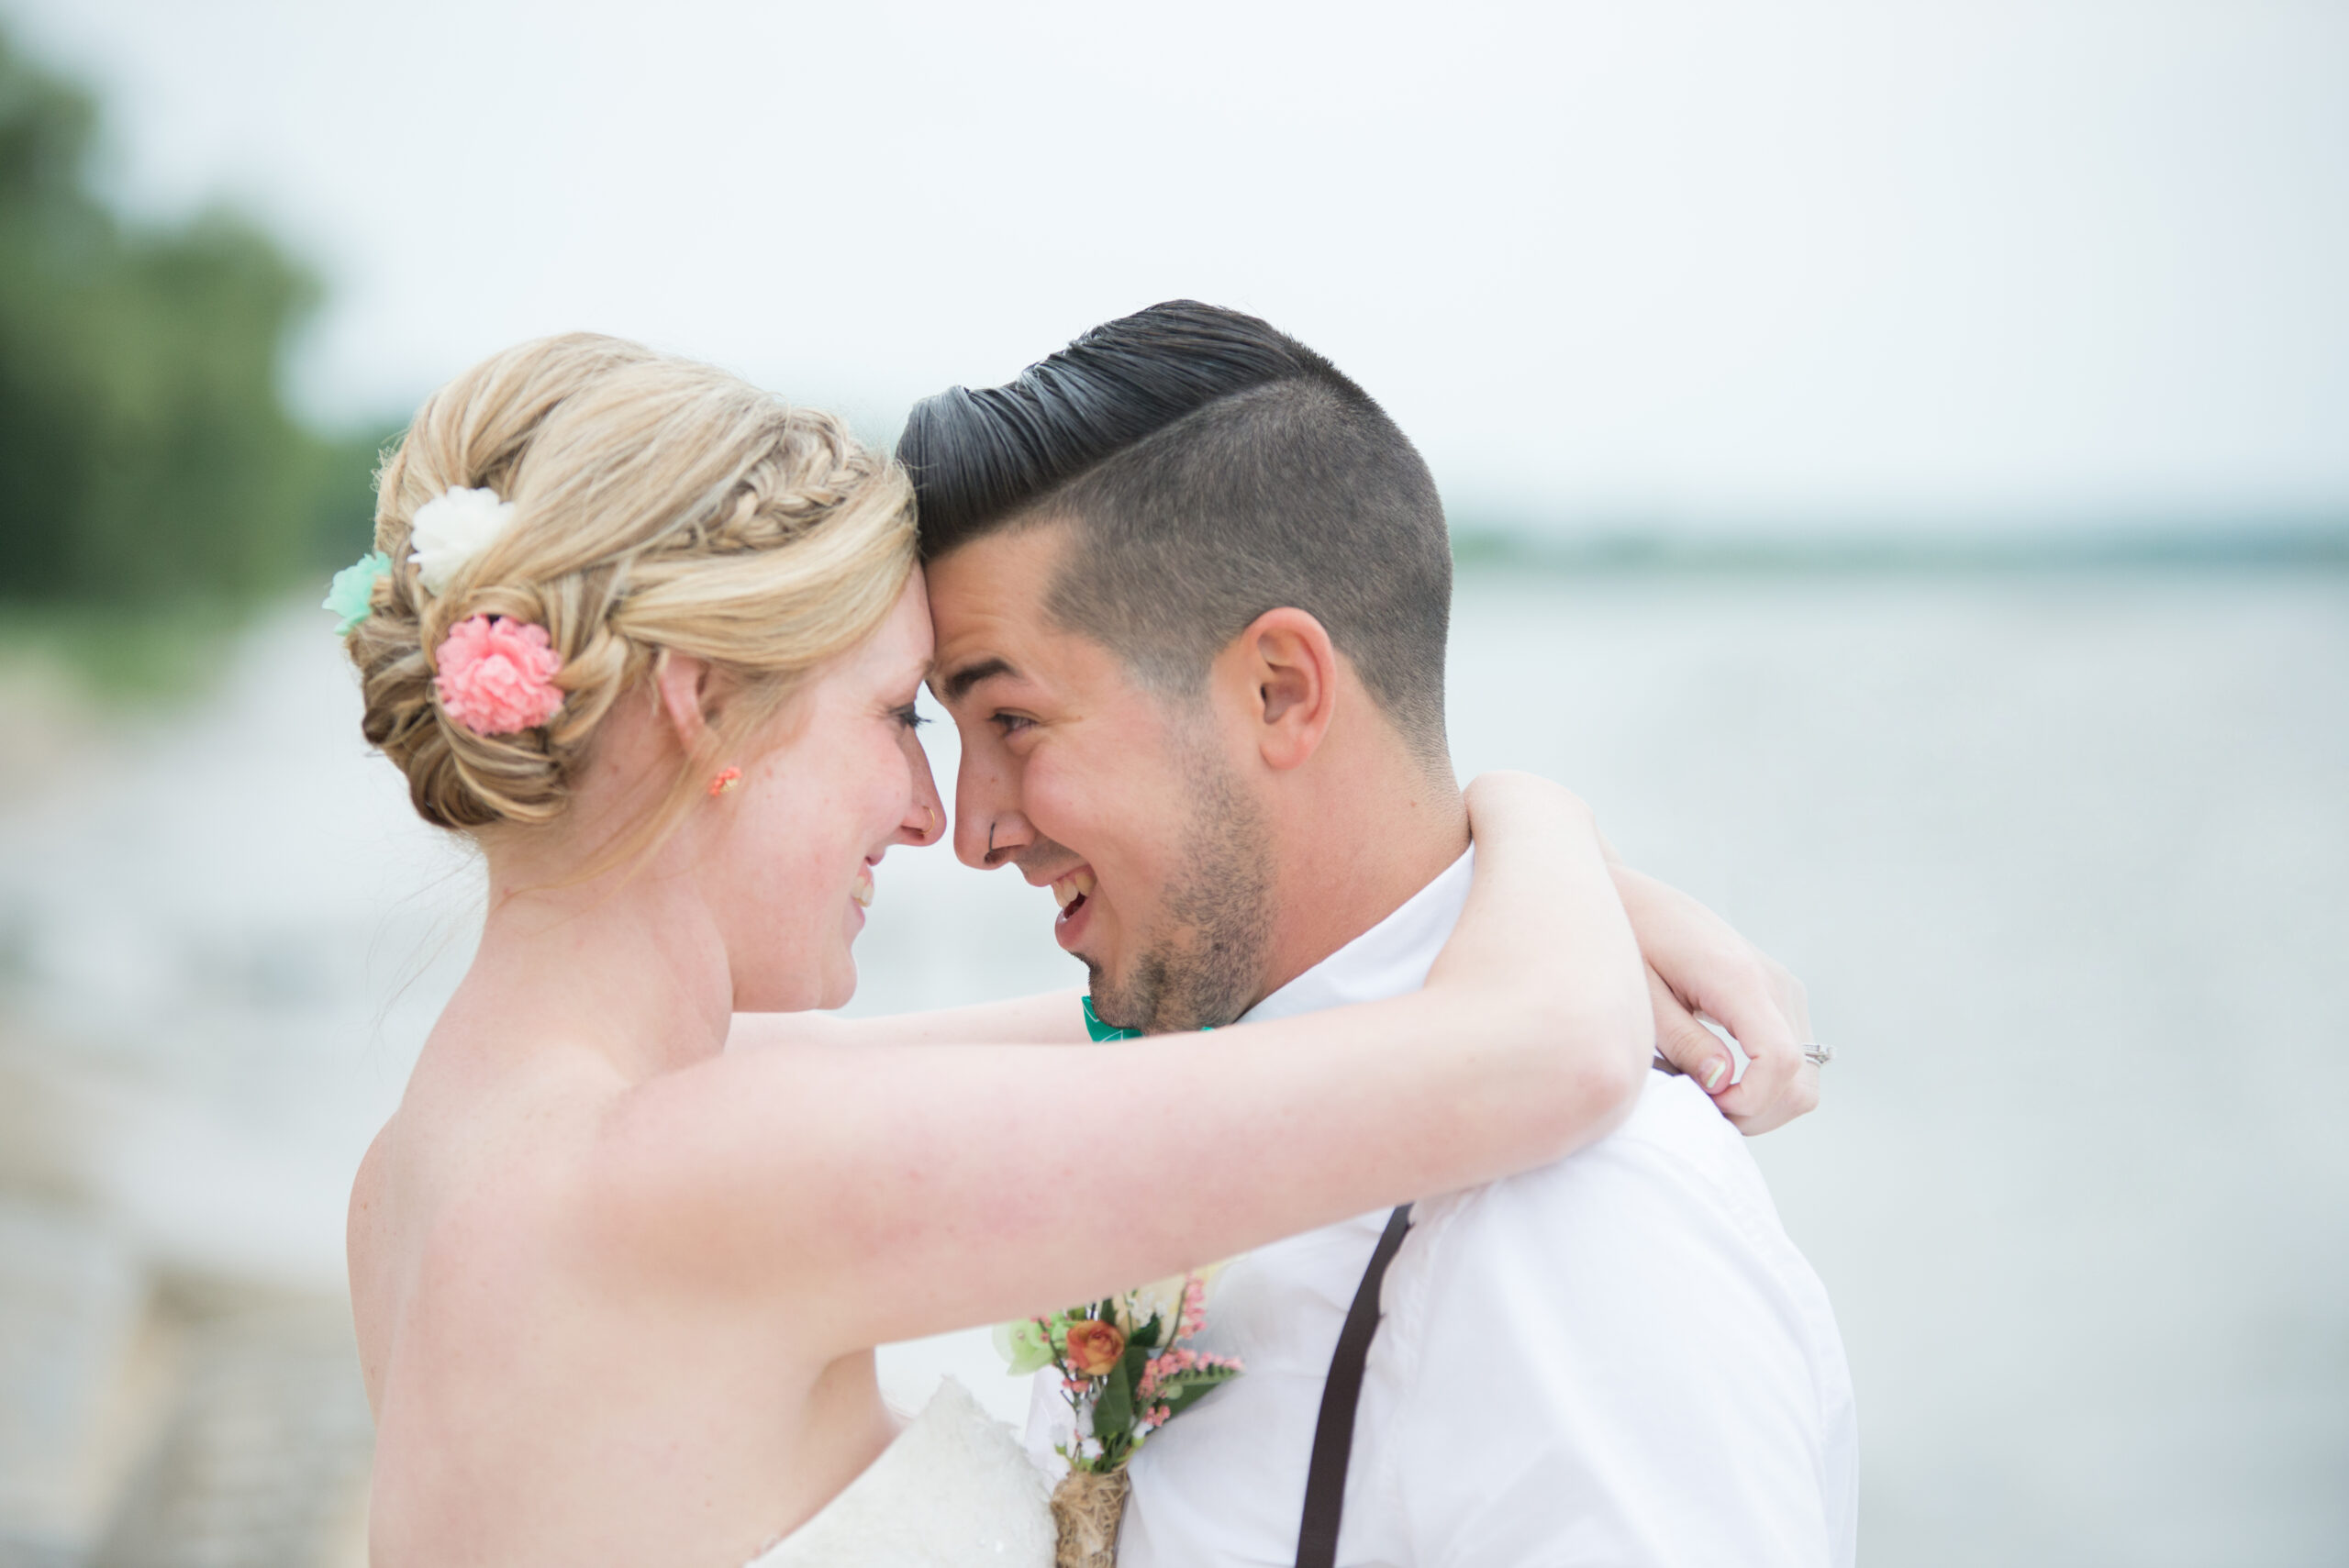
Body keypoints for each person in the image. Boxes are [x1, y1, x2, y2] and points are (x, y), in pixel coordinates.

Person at [337, 332, 1811, 1568]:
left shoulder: (429, 1159)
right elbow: (1541, 1053)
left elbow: (1226, 1028)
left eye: (1000, 722)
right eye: (897, 715)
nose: (936, 817)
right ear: (697, 700)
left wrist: (1522, 882)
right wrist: (1528, 810)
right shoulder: (713, 1163)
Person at [899, 300, 1856, 1567]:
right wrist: (1538, 817)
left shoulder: (1575, 1226)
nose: (973, 830)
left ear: (1280, 690)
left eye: (1013, 721)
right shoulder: (1179, 1077)